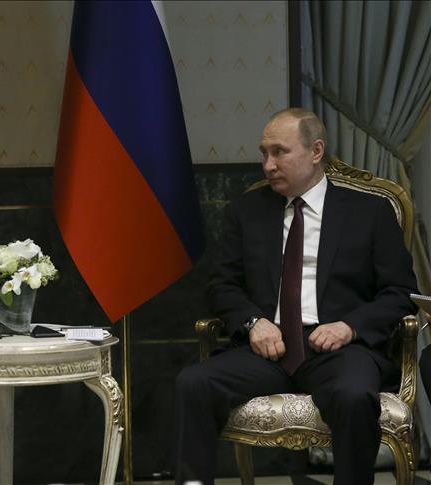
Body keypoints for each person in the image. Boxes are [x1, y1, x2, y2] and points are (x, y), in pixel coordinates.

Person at [174, 108, 418, 485]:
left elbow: (400, 292)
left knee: (354, 395)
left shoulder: (369, 212)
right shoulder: (247, 211)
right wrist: (253, 323)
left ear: (316, 151)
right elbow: (222, 284)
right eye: (264, 153)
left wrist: (350, 326)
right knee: (193, 382)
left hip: (340, 350)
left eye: (279, 152)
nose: (268, 165)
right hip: (267, 350)